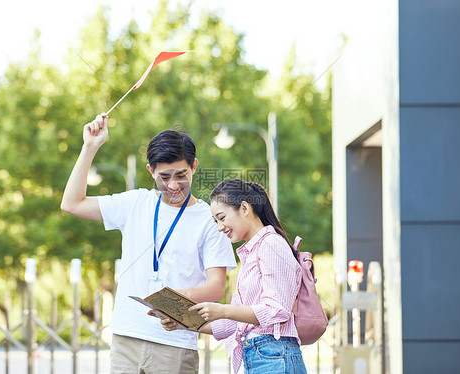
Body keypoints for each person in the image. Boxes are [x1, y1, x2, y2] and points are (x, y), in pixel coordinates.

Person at [61, 113, 236, 374]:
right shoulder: (135, 203)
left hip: (175, 341)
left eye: (181, 175)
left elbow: (216, 287)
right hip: (125, 337)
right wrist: (90, 147)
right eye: (164, 177)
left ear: (195, 166)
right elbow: (71, 203)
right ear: (150, 171)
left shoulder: (209, 219)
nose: (174, 185)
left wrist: (175, 298)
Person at [161, 179, 306, 374]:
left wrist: (222, 310)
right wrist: (183, 322)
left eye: (222, 217)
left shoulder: (271, 245)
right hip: (262, 357)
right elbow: (233, 323)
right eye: (215, 221)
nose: (219, 227)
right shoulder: (252, 253)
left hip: (274, 356)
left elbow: (277, 310)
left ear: (244, 208)